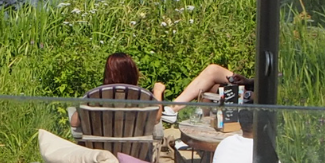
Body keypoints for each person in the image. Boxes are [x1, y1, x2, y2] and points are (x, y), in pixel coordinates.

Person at [97, 51, 236, 108]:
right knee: (212, 75)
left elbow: (74, 122)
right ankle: (173, 109)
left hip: (102, 153)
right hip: (136, 155)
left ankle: (174, 109)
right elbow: (156, 119)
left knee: (211, 88)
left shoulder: (96, 98)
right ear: (133, 73)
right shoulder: (139, 97)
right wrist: (157, 92)